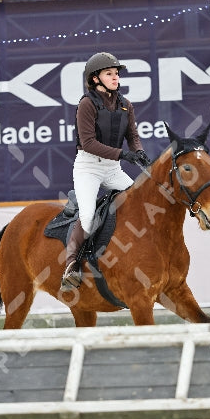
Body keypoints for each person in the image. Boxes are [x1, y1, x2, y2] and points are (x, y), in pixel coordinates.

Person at [60, 52, 151, 292]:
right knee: (88, 215)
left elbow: (132, 136)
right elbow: (88, 143)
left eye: (116, 73)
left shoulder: (125, 104)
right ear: (95, 79)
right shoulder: (86, 104)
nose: (115, 77)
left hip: (112, 169)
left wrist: (138, 152)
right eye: (109, 73)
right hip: (88, 167)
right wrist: (123, 154)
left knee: (140, 205)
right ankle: (71, 265)